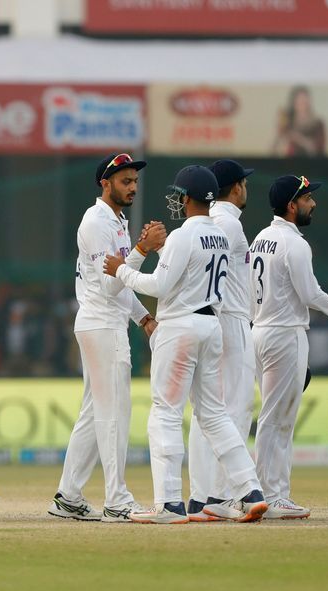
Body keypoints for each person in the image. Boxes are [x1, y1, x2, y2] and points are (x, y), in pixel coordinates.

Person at [104, 165, 267, 524]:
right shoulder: (220, 235)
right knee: (214, 414)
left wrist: (121, 269)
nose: (176, 200)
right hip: (211, 326)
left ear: (188, 198)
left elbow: (159, 287)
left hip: (179, 328)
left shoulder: (183, 235)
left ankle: (169, 505)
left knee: (165, 413)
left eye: (180, 194)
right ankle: (250, 490)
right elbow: (186, 274)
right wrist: (163, 250)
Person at [48, 153, 166, 523]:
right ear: (106, 183)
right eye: (125, 181)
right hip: (101, 324)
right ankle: (117, 499)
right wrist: (142, 251)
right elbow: (108, 283)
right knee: (115, 412)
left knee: (94, 413)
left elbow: (120, 281)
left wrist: (143, 317)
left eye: (134, 182)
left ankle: (69, 495)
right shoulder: (97, 220)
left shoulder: (115, 221)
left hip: (104, 322)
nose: (132, 187)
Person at [249, 175, 328, 520]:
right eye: (307, 198)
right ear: (291, 205)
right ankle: (273, 495)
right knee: (279, 419)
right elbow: (310, 293)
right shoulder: (294, 244)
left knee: (273, 416)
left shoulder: (261, 237)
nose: (313, 203)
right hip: (285, 334)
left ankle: (263, 492)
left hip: (260, 332)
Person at [186, 159, 257, 522]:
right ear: (237, 187)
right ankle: (220, 495)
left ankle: (203, 496)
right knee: (234, 408)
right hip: (228, 320)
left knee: (210, 411)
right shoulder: (227, 221)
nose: (247, 188)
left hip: (221, 318)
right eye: (244, 182)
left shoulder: (217, 220)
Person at [272, 86, 326, 157]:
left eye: (304, 100)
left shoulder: (318, 124)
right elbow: (275, 149)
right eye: (299, 100)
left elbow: (318, 149)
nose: (302, 103)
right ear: (293, 102)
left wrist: (298, 138)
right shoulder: (287, 124)